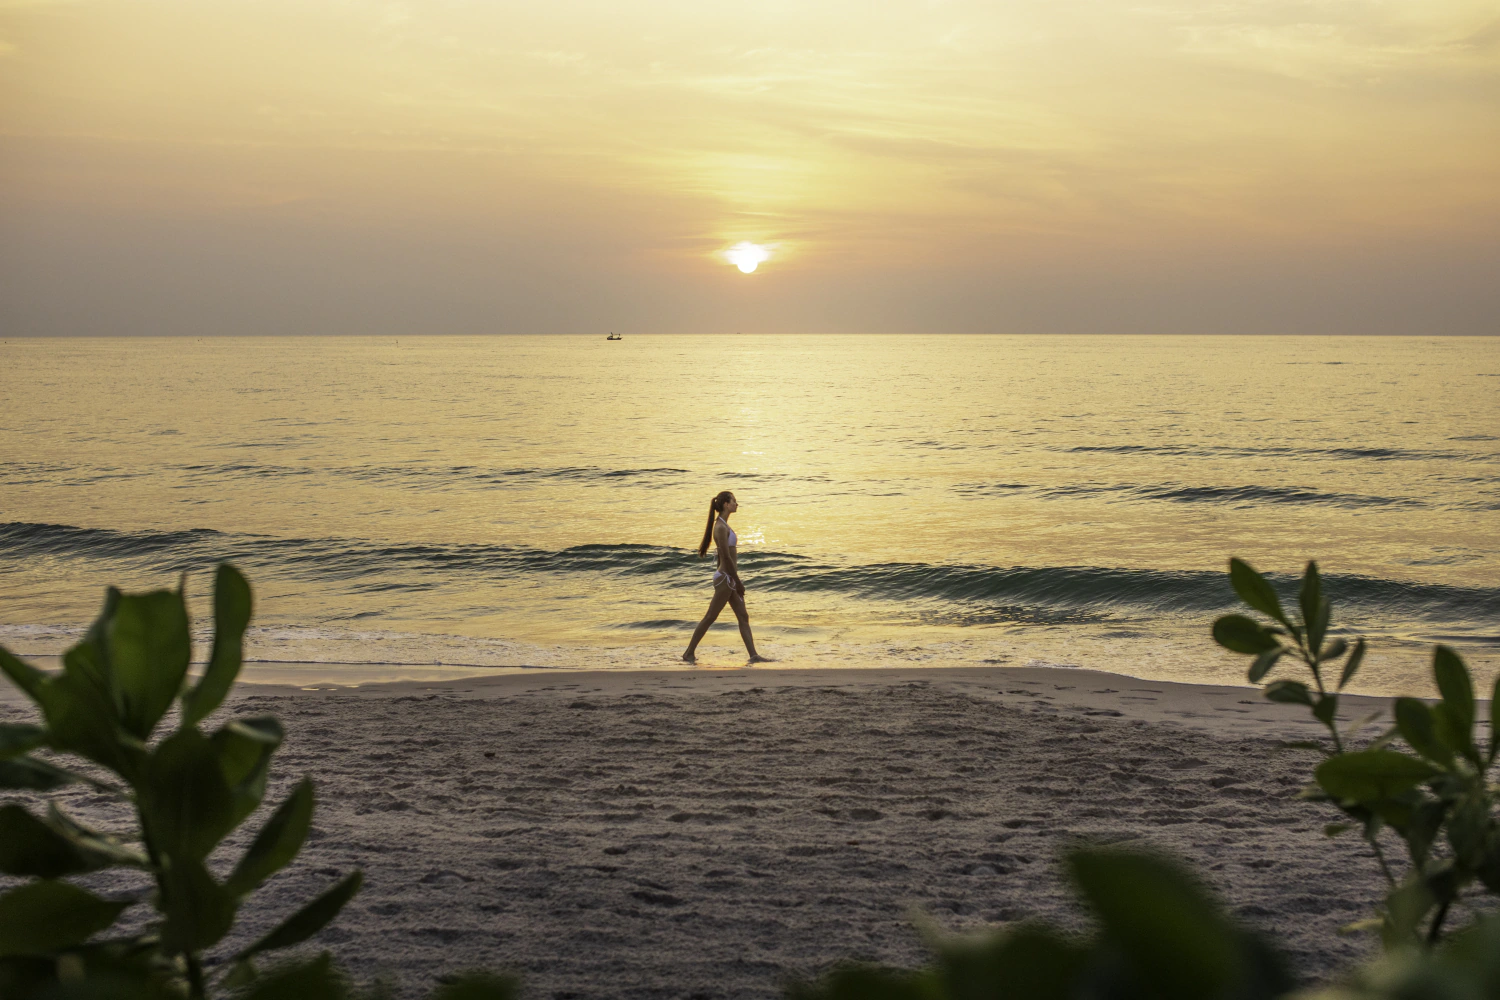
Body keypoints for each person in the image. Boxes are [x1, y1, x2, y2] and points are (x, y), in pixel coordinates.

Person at [683, 490, 769, 664]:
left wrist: (731, 579)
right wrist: (737, 582)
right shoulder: (720, 527)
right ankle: (688, 653)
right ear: (726, 504)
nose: (737, 504)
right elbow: (726, 557)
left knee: (743, 616)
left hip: (727, 578)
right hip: (726, 579)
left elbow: (722, 557)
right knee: (710, 617)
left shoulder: (724, 525)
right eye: (734, 501)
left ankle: (753, 655)